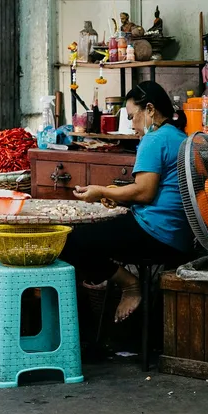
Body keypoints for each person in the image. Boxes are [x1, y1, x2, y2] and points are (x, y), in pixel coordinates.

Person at [63, 81, 192, 322]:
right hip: (178, 235)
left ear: (150, 110)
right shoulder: (177, 135)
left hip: (156, 233)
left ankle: (130, 284)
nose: (132, 125)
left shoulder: (154, 139)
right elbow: (159, 190)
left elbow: (144, 193)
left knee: (71, 241)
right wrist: (113, 194)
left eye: (133, 117)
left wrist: (101, 190)